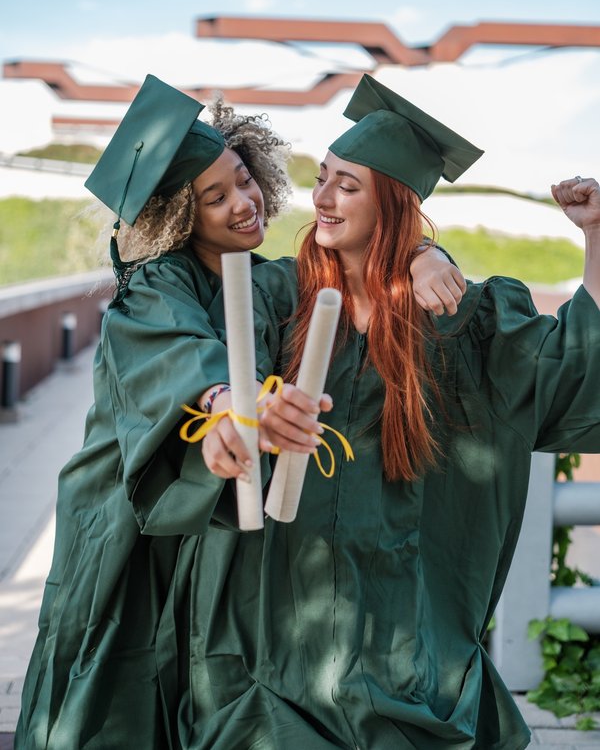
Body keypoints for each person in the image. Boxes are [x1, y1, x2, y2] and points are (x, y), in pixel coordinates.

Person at [15, 74, 462, 749]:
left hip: (205, 507)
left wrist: (425, 252)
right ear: (177, 215)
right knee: (121, 682)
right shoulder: (157, 286)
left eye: (244, 180)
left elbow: (354, 266)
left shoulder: (266, 279)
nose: (245, 204)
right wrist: (227, 406)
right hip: (134, 510)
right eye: (215, 197)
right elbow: (181, 356)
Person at [197, 74, 600, 749]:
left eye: (348, 186)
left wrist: (595, 236)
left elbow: (569, 371)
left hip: (408, 623)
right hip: (285, 611)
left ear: (392, 206)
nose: (321, 199)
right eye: (322, 177)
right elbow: (197, 350)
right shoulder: (275, 296)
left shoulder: (459, 317)